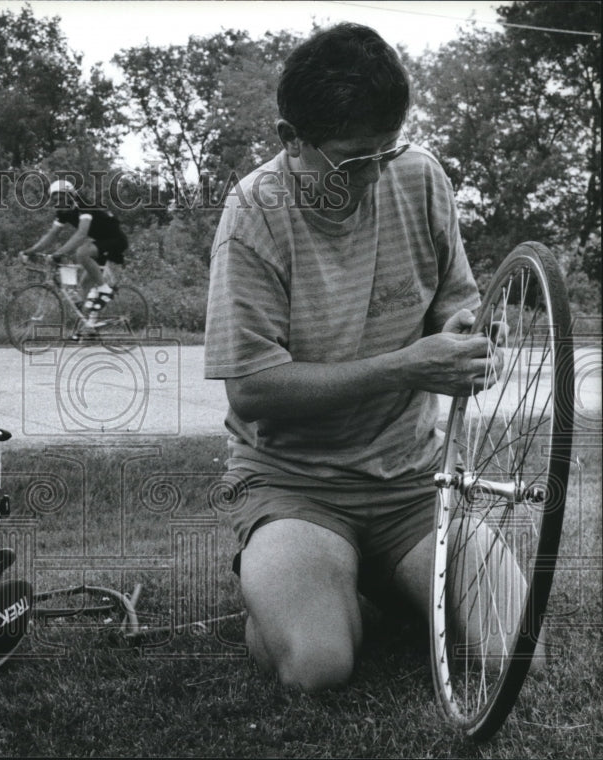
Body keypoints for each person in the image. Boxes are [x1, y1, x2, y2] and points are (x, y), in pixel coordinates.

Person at [204, 23, 508, 692]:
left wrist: (465, 337)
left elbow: (454, 307)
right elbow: (252, 392)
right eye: (351, 159)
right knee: (319, 666)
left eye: (385, 150)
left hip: (412, 482)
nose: (373, 175)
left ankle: (371, 582)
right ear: (290, 139)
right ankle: (302, 588)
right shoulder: (254, 213)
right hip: (296, 485)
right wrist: (406, 367)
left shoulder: (418, 174)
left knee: (513, 651)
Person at [19, 179, 129, 319]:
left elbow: (81, 234)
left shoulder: (83, 204)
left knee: (82, 252)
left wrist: (58, 253)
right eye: (55, 199)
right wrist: (30, 251)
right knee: (84, 286)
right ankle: (88, 328)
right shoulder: (63, 211)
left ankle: (105, 290)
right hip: (101, 242)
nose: (58, 202)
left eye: (61, 197)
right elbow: (51, 235)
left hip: (116, 240)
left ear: (70, 195)